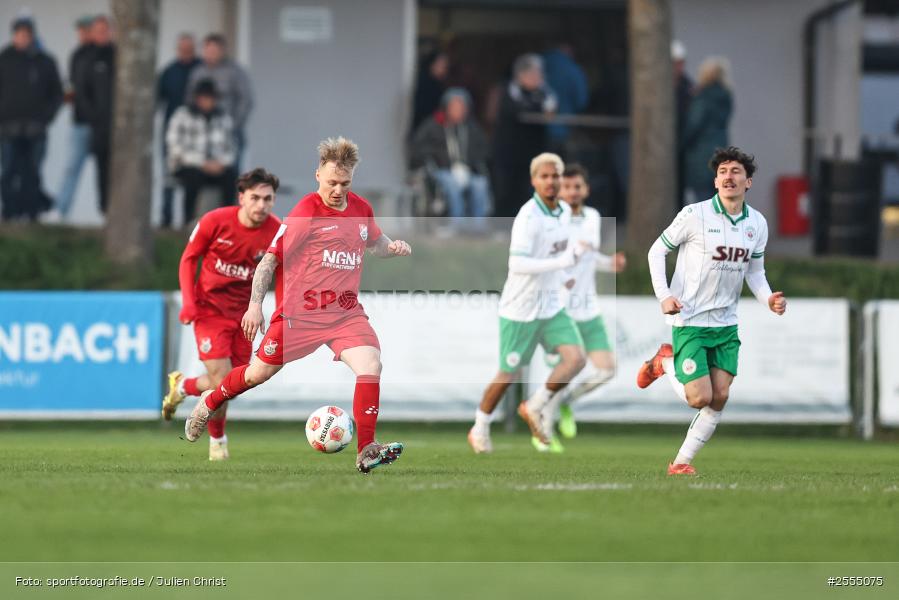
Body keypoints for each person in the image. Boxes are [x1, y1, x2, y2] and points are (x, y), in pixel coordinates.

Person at [183, 137, 412, 474]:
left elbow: (374, 242)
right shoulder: (306, 213)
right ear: (318, 174)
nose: (337, 190)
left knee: (371, 364)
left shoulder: (361, 209)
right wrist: (254, 306)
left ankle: (366, 449)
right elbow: (268, 262)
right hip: (299, 316)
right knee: (258, 373)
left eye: (344, 183)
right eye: (331, 182)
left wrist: (392, 248)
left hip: (344, 314)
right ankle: (210, 401)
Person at [638, 147, 787, 475]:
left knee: (719, 396)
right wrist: (664, 296)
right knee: (698, 398)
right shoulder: (695, 214)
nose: (728, 176)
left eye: (735, 171)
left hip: (725, 324)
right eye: (723, 172)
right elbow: (655, 252)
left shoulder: (757, 224)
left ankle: (679, 464)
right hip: (689, 318)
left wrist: (768, 300)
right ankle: (663, 362)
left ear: (748, 182)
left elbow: (755, 272)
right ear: (716, 180)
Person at [468, 153, 587, 454]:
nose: (550, 181)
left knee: (575, 359)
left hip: (550, 306)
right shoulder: (528, 217)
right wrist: (559, 262)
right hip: (520, 309)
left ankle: (535, 405)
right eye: (544, 176)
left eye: (555, 176)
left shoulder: (563, 212)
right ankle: (480, 426)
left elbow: (560, 253)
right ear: (534, 180)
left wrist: (565, 277)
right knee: (509, 374)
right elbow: (518, 264)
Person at [162, 168, 281, 460]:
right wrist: (189, 302)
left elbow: (283, 276)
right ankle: (218, 443)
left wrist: (279, 313)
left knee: (236, 383)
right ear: (241, 197)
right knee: (222, 380)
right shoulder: (215, 221)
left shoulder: (277, 232)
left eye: (267, 199)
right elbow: (189, 259)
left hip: (245, 318)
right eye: (255, 198)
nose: (261, 205)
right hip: (209, 311)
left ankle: (184, 386)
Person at [536, 163, 626, 452]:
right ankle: (544, 434)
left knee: (607, 371)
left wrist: (608, 264)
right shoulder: (550, 220)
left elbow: (587, 254)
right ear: (558, 190)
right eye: (566, 186)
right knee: (561, 373)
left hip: (588, 309)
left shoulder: (592, 217)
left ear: (585, 190)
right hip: (558, 310)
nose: (572, 191)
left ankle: (566, 403)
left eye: (577, 186)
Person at [0, 16, 62, 222]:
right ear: (14, 35)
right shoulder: (4, 60)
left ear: (32, 36)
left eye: (27, 34)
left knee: (32, 172)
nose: (23, 38)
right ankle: (10, 211)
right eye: (19, 34)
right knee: (9, 170)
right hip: (8, 127)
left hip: (36, 127)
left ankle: (32, 212)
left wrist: (46, 117)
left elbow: (57, 93)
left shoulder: (45, 61)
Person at [410, 87, 490, 232]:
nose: (459, 110)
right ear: (446, 107)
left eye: (462, 107)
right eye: (455, 106)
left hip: (467, 171)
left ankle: (478, 227)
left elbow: (482, 151)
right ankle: (456, 225)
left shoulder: (471, 128)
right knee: (451, 183)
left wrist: (469, 165)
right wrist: (439, 161)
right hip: (442, 170)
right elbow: (419, 148)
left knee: (480, 184)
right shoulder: (433, 125)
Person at [491, 54, 557, 218]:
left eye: (539, 74)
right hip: (509, 152)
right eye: (532, 74)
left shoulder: (544, 92)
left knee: (529, 190)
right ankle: (502, 225)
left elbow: (550, 110)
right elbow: (515, 111)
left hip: (533, 152)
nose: (537, 78)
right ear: (521, 75)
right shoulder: (509, 90)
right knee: (506, 190)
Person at [165, 78, 237, 223]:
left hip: (216, 165)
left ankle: (227, 221)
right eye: (204, 98)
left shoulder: (223, 118)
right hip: (187, 165)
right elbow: (174, 147)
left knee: (231, 177)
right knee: (193, 178)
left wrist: (221, 163)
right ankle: (188, 220)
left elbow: (232, 148)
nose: (207, 102)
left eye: (211, 98)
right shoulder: (182, 115)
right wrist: (201, 163)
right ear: (197, 99)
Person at [186, 34, 252, 169]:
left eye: (214, 51)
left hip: (229, 132)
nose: (211, 54)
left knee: (231, 172)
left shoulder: (235, 71)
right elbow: (189, 98)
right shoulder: (198, 72)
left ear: (222, 51)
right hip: (200, 133)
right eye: (208, 51)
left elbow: (246, 100)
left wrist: (232, 124)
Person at [52, 15, 95, 221]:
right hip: (80, 121)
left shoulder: (105, 54)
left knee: (109, 172)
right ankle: (61, 210)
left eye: (85, 29)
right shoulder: (76, 55)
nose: (82, 34)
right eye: (80, 30)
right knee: (71, 168)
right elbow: (71, 85)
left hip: (102, 125)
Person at [157, 33, 201, 228]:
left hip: (197, 133)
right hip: (172, 132)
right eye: (182, 48)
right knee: (169, 175)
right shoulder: (169, 71)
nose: (185, 52)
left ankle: (189, 218)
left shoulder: (201, 70)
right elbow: (157, 99)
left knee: (193, 177)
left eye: (189, 48)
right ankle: (166, 217)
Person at [76, 15, 114, 215]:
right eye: (98, 30)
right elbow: (81, 92)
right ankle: (104, 210)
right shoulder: (86, 58)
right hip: (99, 126)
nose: (102, 34)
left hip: (120, 128)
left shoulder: (119, 55)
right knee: (101, 169)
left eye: (106, 30)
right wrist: (94, 117)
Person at [682, 57, 732, 203]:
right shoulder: (726, 96)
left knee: (702, 202)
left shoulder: (702, 97)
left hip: (701, 155)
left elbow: (693, 125)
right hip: (721, 153)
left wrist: (680, 144)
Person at [541, 42, 588, 151]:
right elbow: (581, 101)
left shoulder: (539, 65)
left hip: (537, 127)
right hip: (565, 126)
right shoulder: (573, 70)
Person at [672, 40, 694, 208]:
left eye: (680, 64)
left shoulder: (688, 86)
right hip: (667, 144)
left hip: (682, 144)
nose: (678, 68)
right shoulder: (661, 87)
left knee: (680, 186)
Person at [411, 50, 449, 133]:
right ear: (431, 64)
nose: (443, 67)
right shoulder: (424, 83)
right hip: (426, 129)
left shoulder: (441, 84)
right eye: (440, 64)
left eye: (445, 64)